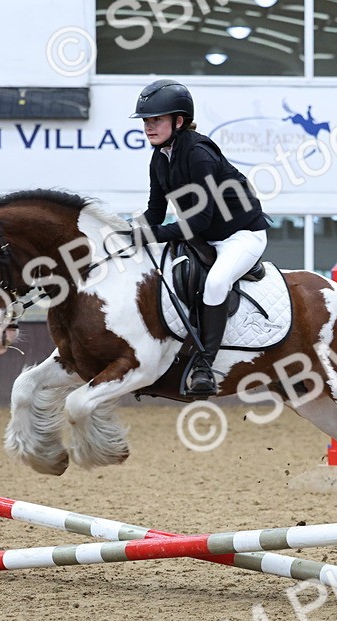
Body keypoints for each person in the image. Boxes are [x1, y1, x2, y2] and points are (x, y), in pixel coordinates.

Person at [131, 79, 269, 396]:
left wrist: (151, 235)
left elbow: (200, 219)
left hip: (241, 236)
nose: (149, 127)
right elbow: (155, 211)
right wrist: (127, 231)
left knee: (217, 282)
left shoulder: (198, 153)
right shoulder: (160, 157)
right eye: (146, 121)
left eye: (157, 120)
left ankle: (206, 367)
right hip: (205, 238)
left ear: (178, 121)